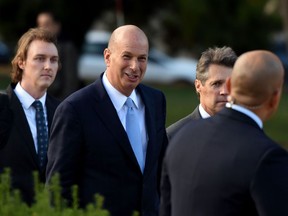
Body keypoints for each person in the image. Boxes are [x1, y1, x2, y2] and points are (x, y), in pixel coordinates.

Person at [46, 24, 168, 216]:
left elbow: (161, 170)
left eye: (142, 58)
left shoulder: (156, 101)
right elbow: (58, 189)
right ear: (107, 57)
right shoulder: (75, 110)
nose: (135, 66)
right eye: (127, 56)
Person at [160, 50, 288, 216]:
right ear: (275, 98)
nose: (223, 92)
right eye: (215, 84)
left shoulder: (182, 137)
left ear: (230, 86)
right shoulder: (267, 156)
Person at [0, 27, 61, 205]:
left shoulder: (63, 111)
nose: (48, 66)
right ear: (21, 62)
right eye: (40, 58)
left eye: (54, 60)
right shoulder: (2, 106)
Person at [166, 46, 237, 140]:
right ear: (198, 86)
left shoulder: (247, 133)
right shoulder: (174, 136)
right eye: (216, 84)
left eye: (230, 84)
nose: (225, 91)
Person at [36, 11, 79, 99]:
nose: (42, 28)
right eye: (39, 24)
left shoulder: (67, 48)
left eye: (47, 24)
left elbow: (70, 81)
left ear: (57, 26)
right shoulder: (35, 48)